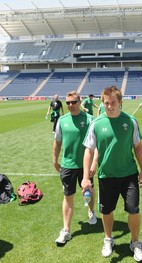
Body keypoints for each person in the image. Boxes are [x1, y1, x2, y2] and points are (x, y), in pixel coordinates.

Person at [82, 86, 142, 262]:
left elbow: (138, 147)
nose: (109, 106)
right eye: (106, 103)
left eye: (112, 103)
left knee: (133, 210)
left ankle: (135, 242)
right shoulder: (96, 124)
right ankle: (108, 239)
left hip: (129, 175)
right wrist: (86, 177)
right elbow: (88, 150)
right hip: (106, 176)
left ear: (120, 102)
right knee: (107, 210)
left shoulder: (131, 121)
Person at [53, 91, 98, 245]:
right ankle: (66, 230)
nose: (70, 105)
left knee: (88, 190)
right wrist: (54, 160)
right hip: (67, 165)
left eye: (73, 102)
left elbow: (96, 145)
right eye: (68, 103)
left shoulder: (90, 119)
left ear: (80, 102)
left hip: (86, 166)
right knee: (68, 196)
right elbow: (57, 142)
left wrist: (93, 163)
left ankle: (91, 211)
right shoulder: (62, 120)